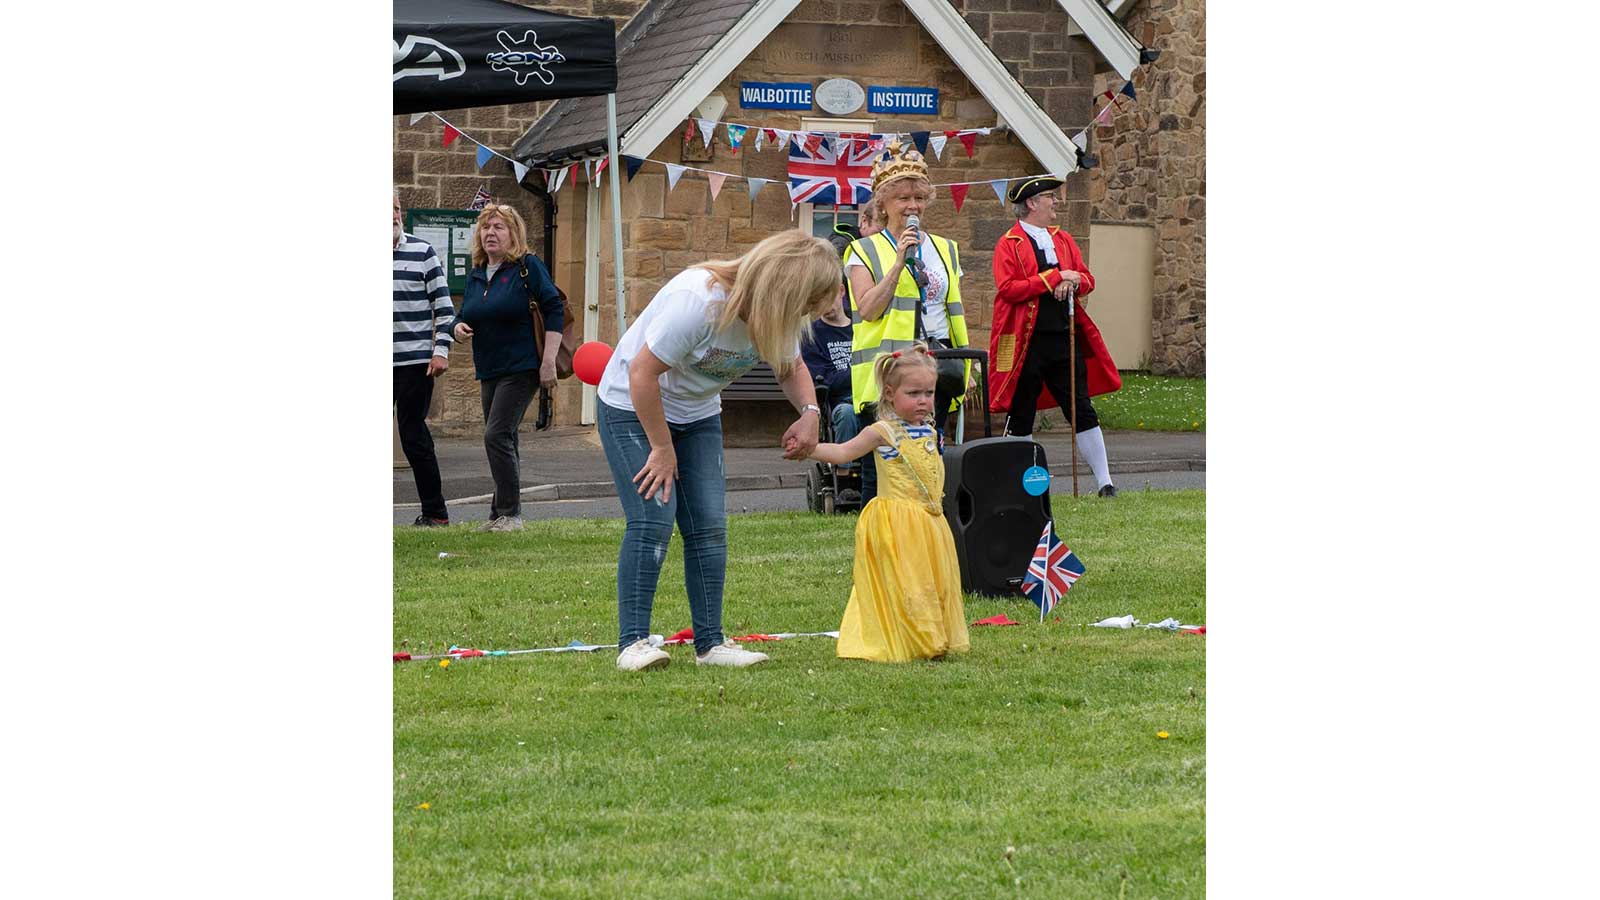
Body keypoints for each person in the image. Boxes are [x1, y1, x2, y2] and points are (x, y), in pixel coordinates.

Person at [595, 230, 842, 671]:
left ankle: (710, 644)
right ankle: (632, 644)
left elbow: (791, 366)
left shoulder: (773, 312)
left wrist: (809, 412)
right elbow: (641, 375)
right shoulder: (700, 301)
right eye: (806, 303)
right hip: (632, 408)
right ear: (785, 288)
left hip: (697, 415)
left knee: (708, 526)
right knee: (653, 519)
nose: (807, 314)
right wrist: (661, 448)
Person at [807, 343, 969, 662]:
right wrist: (809, 448)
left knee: (930, 580)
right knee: (905, 581)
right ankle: (913, 636)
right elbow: (843, 452)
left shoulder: (929, 429)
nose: (923, 400)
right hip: (897, 522)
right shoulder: (883, 431)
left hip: (930, 522)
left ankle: (933, 634)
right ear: (891, 393)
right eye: (913, 393)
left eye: (928, 393)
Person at [845, 145, 971, 502]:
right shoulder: (863, 251)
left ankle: (931, 519)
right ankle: (878, 522)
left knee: (931, 452)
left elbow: (952, 308)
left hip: (939, 364)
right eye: (902, 198)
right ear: (883, 204)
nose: (912, 205)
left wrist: (966, 364)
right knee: (884, 459)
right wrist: (899, 261)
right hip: (888, 369)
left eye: (919, 197)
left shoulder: (947, 249)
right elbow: (868, 309)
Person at [989, 176, 1123, 497]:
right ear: (1032, 204)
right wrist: (1054, 277)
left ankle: (1105, 483)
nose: (1057, 202)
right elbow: (1009, 289)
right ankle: (1016, 487)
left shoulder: (1063, 240)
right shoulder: (1009, 243)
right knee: (1022, 412)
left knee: (1081, 407)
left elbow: (1087, 279)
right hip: (1025, 343)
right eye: (1050, 197)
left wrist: (1073, 280)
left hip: (1064, 338)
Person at [451, 204, 565, 531]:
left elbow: (553, 308)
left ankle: (511, 515)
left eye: (499, 227)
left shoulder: (527, 267)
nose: (490, 233)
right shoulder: (476, 273)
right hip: (489, 367)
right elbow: (464, 315)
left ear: (513, 234)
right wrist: (456, 329)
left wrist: (548, 363)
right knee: (505, 438)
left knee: (496, 434)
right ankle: (498, 514)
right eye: (486, 228)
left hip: (523, 365)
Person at [393, 192, 456, 526]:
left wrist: (441, 349)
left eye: (396, 208)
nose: (393, 215)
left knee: (413, 437)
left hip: (414, 363)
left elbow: (445, 309)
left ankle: (435, 512)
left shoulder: (422, 252)